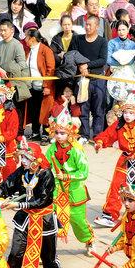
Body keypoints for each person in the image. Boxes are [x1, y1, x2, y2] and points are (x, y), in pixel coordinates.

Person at [0, 138, 69, 268]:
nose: (22, 161)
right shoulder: (22, 171)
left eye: (26, 158)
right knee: (15, 255)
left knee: (48, 257)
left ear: (35, 159)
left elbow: (42, 200)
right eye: (22, 158)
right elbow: (8, 184)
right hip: (24, 220)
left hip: (45, 220)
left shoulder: (46, 175)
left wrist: (17, 204)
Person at [93, 94, 135, 227]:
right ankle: (109, 215)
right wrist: (99, 142)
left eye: (131, 112)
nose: (127, 115)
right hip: (125, 160)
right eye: (125, 112)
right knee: (117, 186)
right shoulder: (119, 125)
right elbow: (108, 135)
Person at [45, 104, 96, 256]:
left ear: (70, 133)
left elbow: (84, 172)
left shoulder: (76, 150)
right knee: (52, 222)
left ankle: (89, 240)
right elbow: (46, 165)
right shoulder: (51, 149)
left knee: (78, 222)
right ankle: (48, 250)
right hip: (56, 192)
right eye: (57, 133)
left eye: (62, 133)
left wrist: (67, 176)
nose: (59, 136)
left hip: (74, 192)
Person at [69, 15, 108, 141]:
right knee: (83, 108)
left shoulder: (102, 41)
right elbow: (71, 55)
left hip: (97, 79)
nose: (87, 27)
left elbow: (102, 60)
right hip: (82, 80)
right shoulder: (77, 39)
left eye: (90, 24)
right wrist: (81, 66)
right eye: (86, 24)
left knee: (98, 109)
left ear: (97, 26)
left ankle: (97, 135)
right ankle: (84, 134)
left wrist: (87, 65)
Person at [0, 20, 31, 135]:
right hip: (2, 81)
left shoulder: (17, 45)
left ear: (12, 30)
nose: (3, 33)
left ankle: (18, 133)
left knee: (17, 109)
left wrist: (10, 68)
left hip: (15, 82)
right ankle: (5, 131)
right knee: (3, 107)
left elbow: (22, 64)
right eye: (1, 30)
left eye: (5, 30)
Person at [25, 29, 55, 145]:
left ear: (32, 39)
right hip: (31, 85)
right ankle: (35, 132)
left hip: (44, 86)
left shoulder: (45, 50)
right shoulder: (28, 50)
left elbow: (50, 69)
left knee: (46, 110)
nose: (25, 39)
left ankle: (46, 134)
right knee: (34, 109)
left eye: (27, 37)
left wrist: (47, 86)